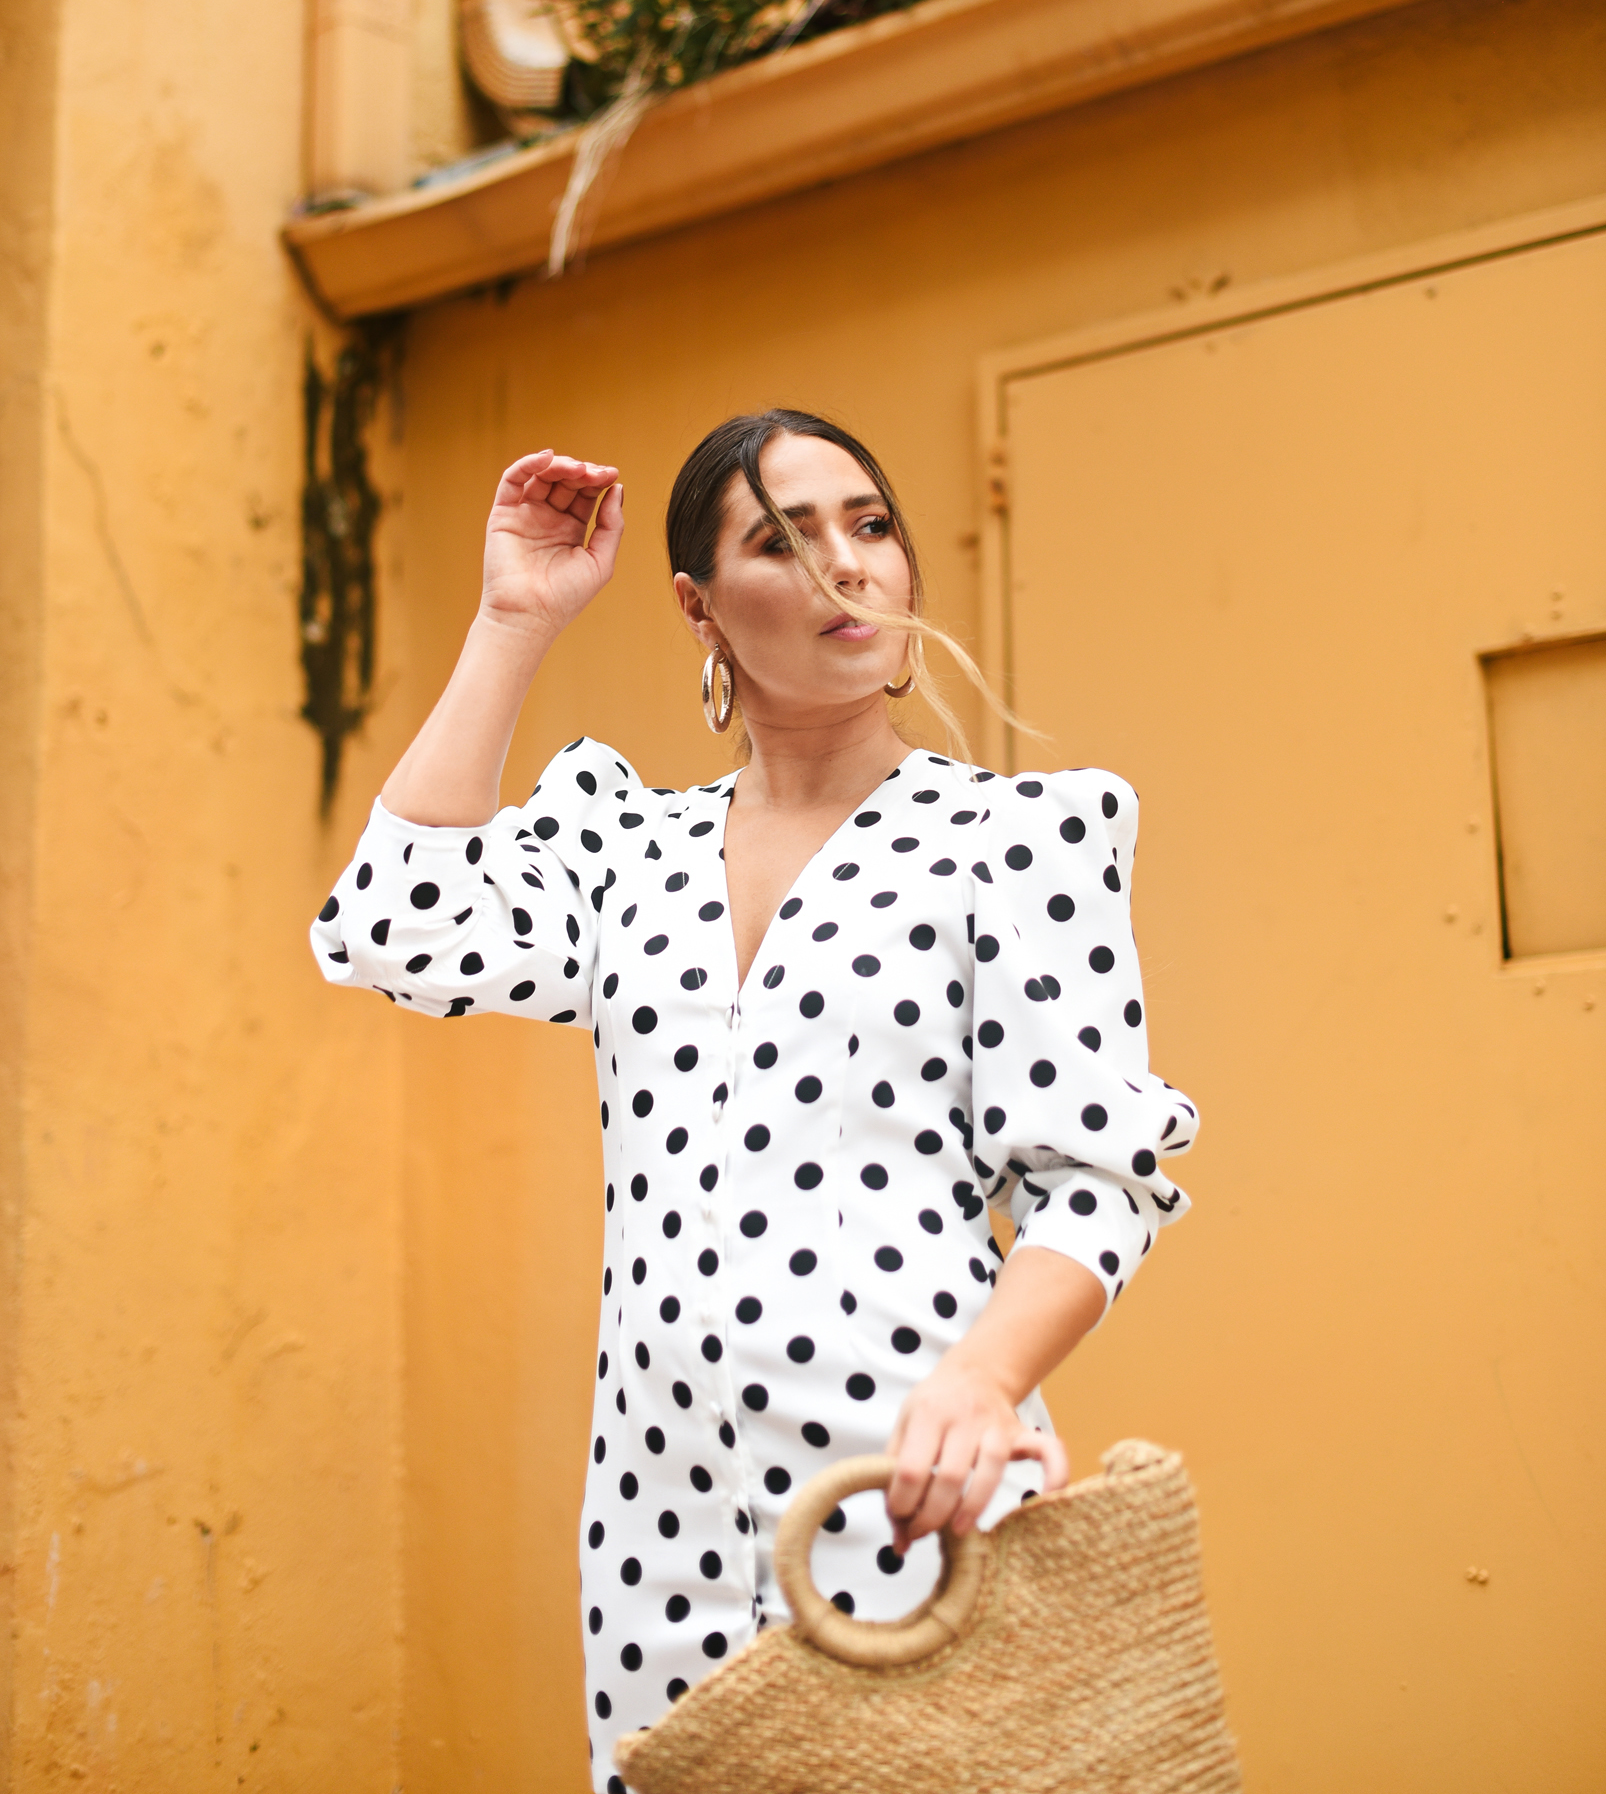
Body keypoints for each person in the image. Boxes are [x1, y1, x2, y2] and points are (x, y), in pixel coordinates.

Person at [311, 409, 1197, 1794]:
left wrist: (986, 1376)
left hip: (911, 1495)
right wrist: (510, 618)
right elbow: (391, 922)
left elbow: (1101, 1176)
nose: (847, 565)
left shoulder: (1014, 839)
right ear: (700, 606)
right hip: (655, 1542)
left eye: (869, 522)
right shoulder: (626, 847)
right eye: (781, 539)